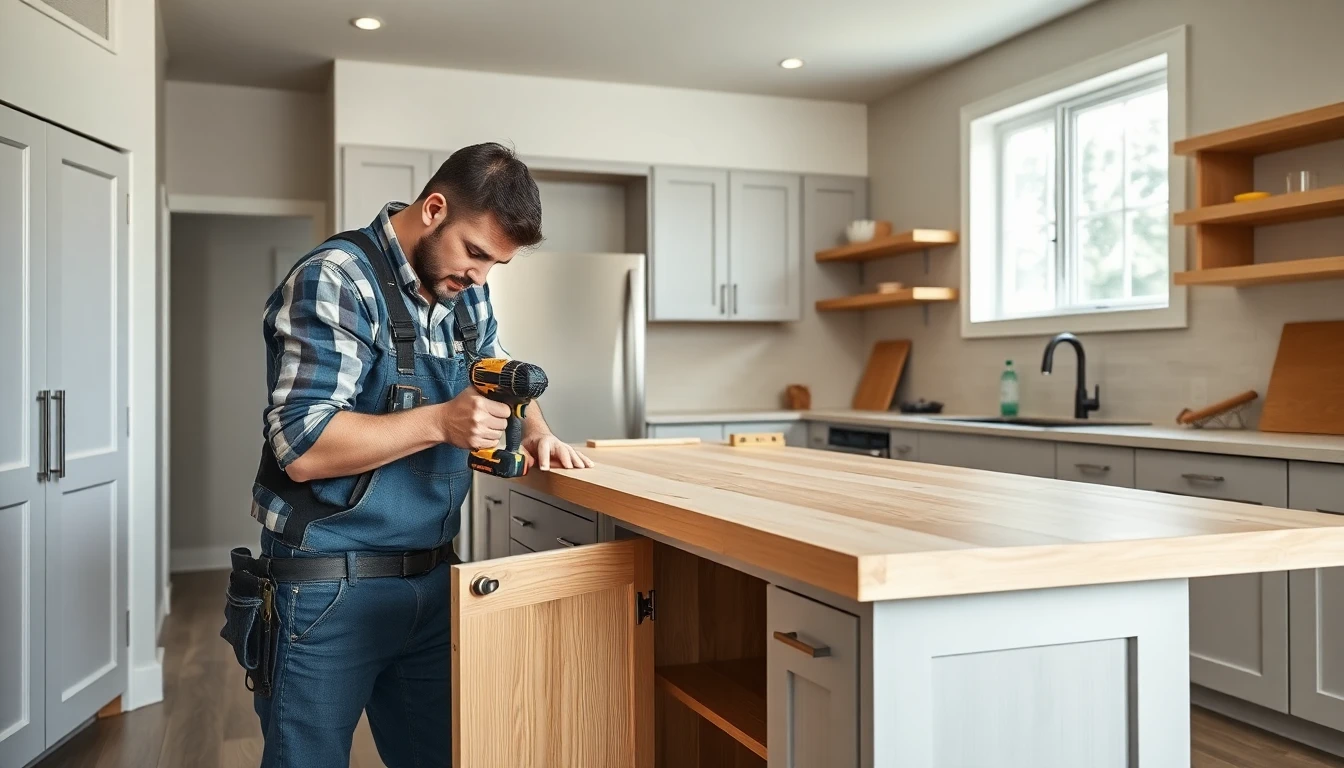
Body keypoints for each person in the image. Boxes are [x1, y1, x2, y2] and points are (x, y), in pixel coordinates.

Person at [225, 142, 593, 768]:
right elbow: (302, 445)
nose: (478, 276)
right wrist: (441, 422)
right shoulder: (336, 278)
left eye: (494, 265)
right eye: (475, 253)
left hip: (433, 581)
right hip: (327, 591)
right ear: (434, 209)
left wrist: (537, 429)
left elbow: (494, 367)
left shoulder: (466, 290)